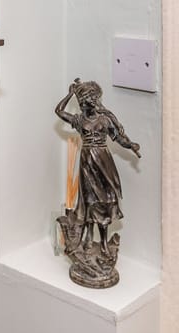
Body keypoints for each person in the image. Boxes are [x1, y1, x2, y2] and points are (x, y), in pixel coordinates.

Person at [55, 79, 141, 257]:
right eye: (80, 101)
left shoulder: (105, 120)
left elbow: (119, 138)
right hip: (87, 163)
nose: (81, 104)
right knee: (89, 201)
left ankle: (103, 243)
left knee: (106, 201)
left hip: (103, 162)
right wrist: (70, 94)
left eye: (84, 100)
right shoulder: (79, 120)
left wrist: (131, 145)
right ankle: (88, 238)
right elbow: (59, 111)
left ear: (92, 100)